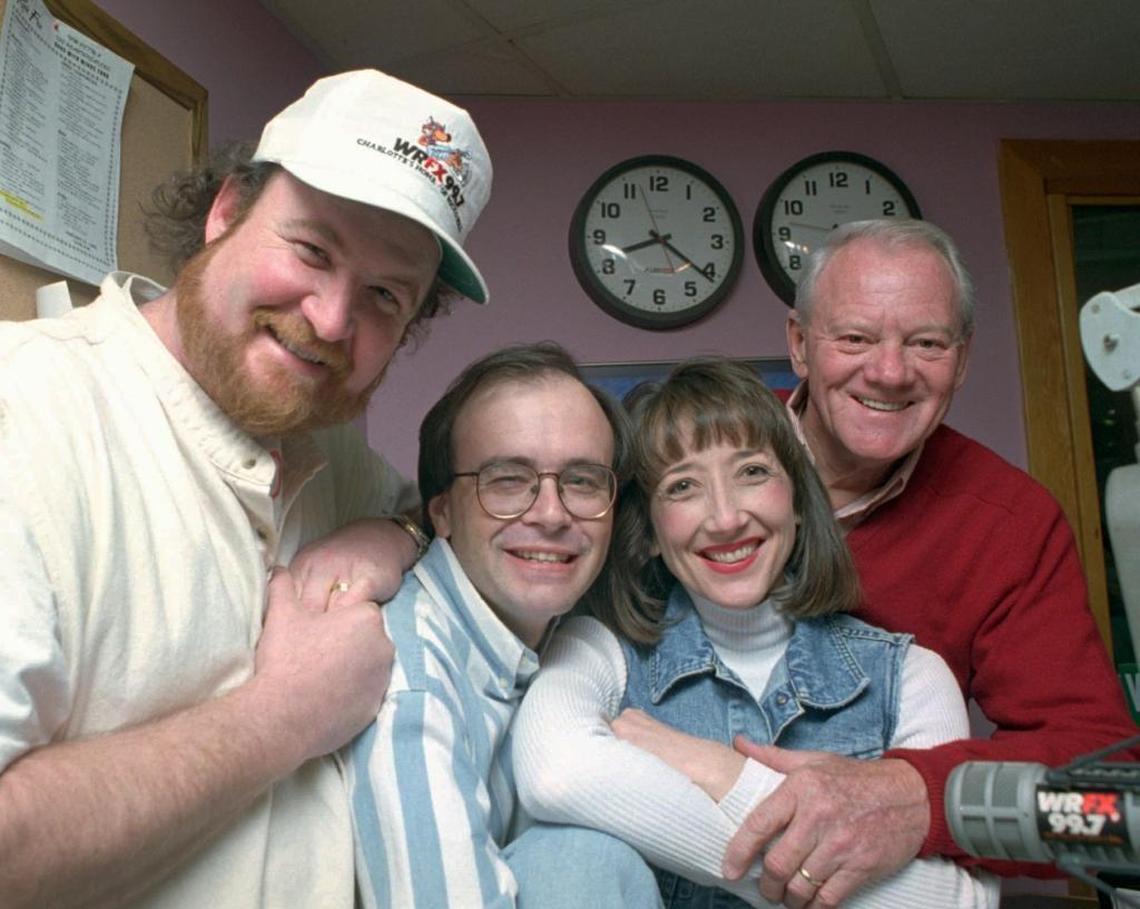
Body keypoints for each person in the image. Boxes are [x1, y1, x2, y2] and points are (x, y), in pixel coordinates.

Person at [0, 69, 492, 908]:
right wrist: (287, 712)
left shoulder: (332, 453)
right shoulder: (29, 408)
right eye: (311, 250)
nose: (333, 320)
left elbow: (422, 515)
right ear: (225, 212)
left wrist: (392, 536)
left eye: (384, 296)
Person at [721, 219, 1138, 906]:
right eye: (854, 337)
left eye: (926, 343)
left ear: (963, 358)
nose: (889, 372)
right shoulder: (687, 459)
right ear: (799, 343)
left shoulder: (1011, 522)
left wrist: (919, 797)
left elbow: (1105, 797)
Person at [511, 356, 999, 909]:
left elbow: (958, 900)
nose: (725, 518)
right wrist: (825, 844)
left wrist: (715, 769)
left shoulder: (911, 676)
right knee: (565, 855)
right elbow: (554, 775)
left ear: (796, 503)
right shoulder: (596, 650)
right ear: (648, 532)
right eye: (683, 486)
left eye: (752, 472)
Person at [346, 342, 638, 907]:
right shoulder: (414, 690)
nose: (552, 514)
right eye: (507, 480)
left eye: (582, 481)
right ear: (441, 513)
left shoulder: (564, 635)